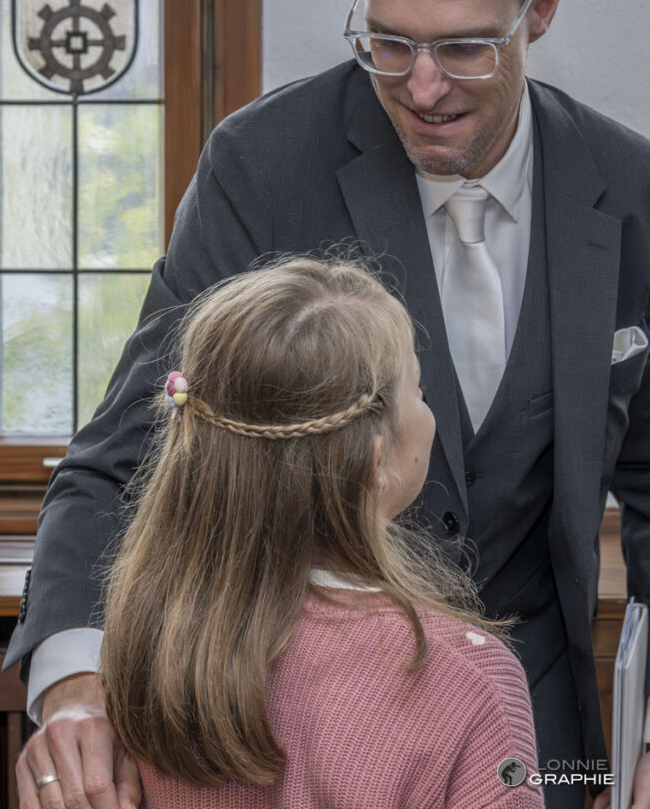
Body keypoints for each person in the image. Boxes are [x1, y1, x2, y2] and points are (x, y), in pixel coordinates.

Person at [8, 0, 650, 809]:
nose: (422, 88)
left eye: (464, 48)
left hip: (538, 736)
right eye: (388, 43)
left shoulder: (630, 187)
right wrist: (73, 683)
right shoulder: (261, 165)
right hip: (279, 728)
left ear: (540, 8)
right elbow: (127, 453)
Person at [99, 256, 544, 808]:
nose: (430, 411)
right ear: (376, 460)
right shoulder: (468, 681)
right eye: (420, 391)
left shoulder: (150, 642)